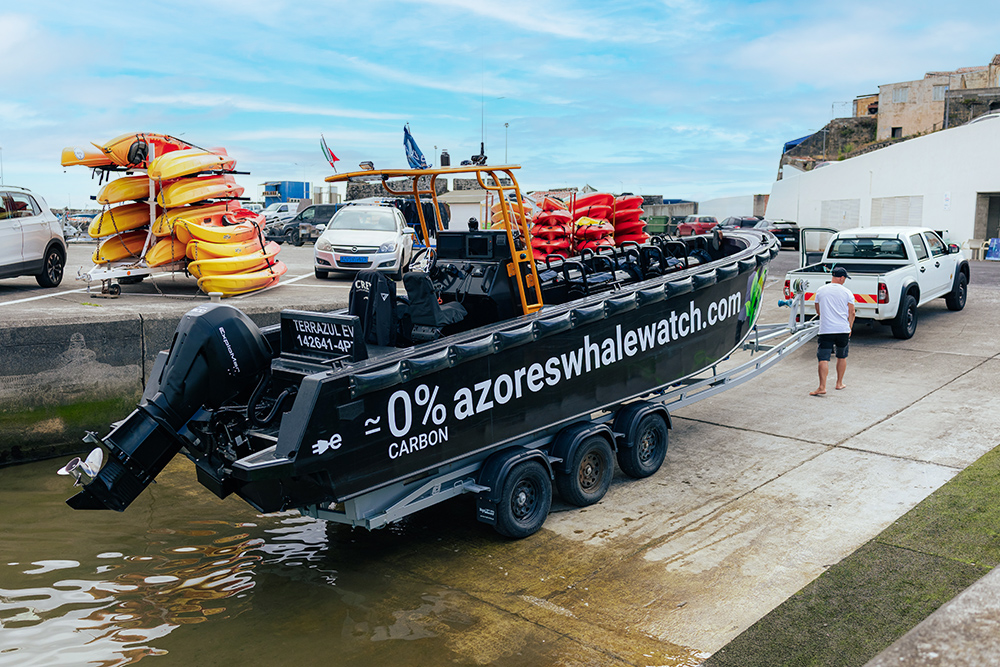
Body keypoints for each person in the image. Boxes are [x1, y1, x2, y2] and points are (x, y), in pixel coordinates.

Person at [810, 266, 855, 396]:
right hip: (842, 330)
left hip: (826, 330)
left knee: (823, 358)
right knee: (842, 356)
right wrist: (849, 327)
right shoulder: (847, 292)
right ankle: (839, 383)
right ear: (841, 278)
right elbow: (852, 312)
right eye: (845, 278)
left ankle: (822, 387)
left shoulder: (820, 290)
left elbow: (818, 310)